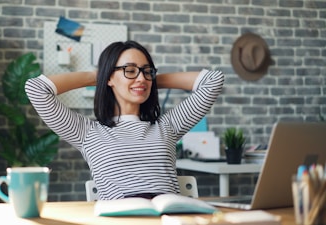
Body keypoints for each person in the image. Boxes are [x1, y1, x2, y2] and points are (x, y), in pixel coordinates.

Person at [25, 40, 224, 200]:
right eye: (129, 70)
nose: (141, 78)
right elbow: (36, 89)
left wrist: (149, 81)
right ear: (109, 77)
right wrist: (99, 76)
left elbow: (213, 81)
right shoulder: (87, 132)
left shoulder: (167, 126)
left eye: (147, 71)